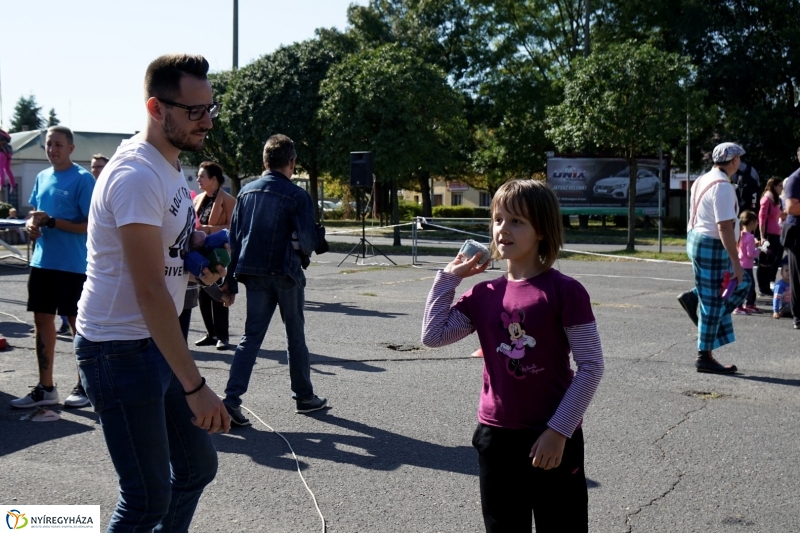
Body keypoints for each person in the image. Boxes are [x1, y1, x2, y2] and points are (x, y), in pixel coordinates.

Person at [74, 53, 230, 531]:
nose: (207, 121)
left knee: (196, 468)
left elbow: (165, 244)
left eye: (210, 108)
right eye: (194, 111)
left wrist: (196, 248)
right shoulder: (137, 175)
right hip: (117, 351)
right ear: (156, 108)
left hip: (152, 342)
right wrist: (196, 387)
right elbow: (147, 290)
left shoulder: (168, 163)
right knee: (145, 500)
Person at [421, 179, 604, 533]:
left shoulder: (565, 291)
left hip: (553, 435)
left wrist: (559, 431)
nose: (503, 229)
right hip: (497, 438)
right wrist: (448, 278)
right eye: (498, 219)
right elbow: (433, 336)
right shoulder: (484, 294)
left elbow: (591, 365)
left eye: (517, 221)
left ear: (542, 231)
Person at [222, 134, 327, 426]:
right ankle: (304, 396)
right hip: (286, 273)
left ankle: (231, 400)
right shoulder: (297, 195)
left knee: (250, 338)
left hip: (253, 274)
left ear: (265, 161)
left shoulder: (245, 193)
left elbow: (235, 239)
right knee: (295, 336)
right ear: (291, 162)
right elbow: (307, 242)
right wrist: (316, 238)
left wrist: (230, 282)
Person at [10, 126, 95, 409]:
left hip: (72, 265)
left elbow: (90, 225)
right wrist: (30, 225)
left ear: (71, 148)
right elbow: (33, 215)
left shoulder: (82, 179)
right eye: (48, 144)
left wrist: (53, 222)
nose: (52, 149)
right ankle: (46, 388)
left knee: (77, 325)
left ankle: (85, 386)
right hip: (42, 262)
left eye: (58, 144)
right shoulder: (42, 176)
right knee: (42, 321)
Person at [679, 142, 750, 374]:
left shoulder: (703, 179)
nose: (740, 162)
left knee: (718, 294)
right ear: (734, 161)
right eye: (739, 158)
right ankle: (704, 356)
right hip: (712, 245)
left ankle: (695, 296)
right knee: (718, 299)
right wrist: (736, 262)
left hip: (697, 239)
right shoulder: (723, 186)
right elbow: (724, 227)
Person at [192, 160, 236, 350]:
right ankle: (210, 333)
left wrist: (207, 229)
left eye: (202, 176)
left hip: (219, 254)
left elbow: (233, 228)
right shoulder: (197, 199)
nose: (198, 179)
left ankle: (222, 336)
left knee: (218, 291)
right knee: (203, 293)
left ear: (214, 179)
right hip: (200, 252)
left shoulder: (229, 201)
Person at [756, 177, 786, 295]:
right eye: (780, 186)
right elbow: (762, 218)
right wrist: (762, 236)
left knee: (771, 262)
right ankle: (762, 287)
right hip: (768, 235)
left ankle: (766, 286)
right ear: (774, 186)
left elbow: (779, 215)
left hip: (776, 234)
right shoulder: (766, 199)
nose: (781, 188)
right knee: (764, 261)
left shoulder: (776, 200)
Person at [781, 145, 800, 329]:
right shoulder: (795, 179)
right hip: (797, 233)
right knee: (798, 276)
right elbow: (791, 208)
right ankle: (798, 317)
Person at [734, 210, 760, 315]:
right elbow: (750, 253)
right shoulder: (750, 237)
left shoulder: (740, 234)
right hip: (747, 266)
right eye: (756, 222)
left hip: (741, 263)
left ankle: (747, 304)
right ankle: (740, 306)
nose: (757, 224)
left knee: (743, 284)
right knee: (749, 285)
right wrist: (759, 250)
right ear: (751, 223)